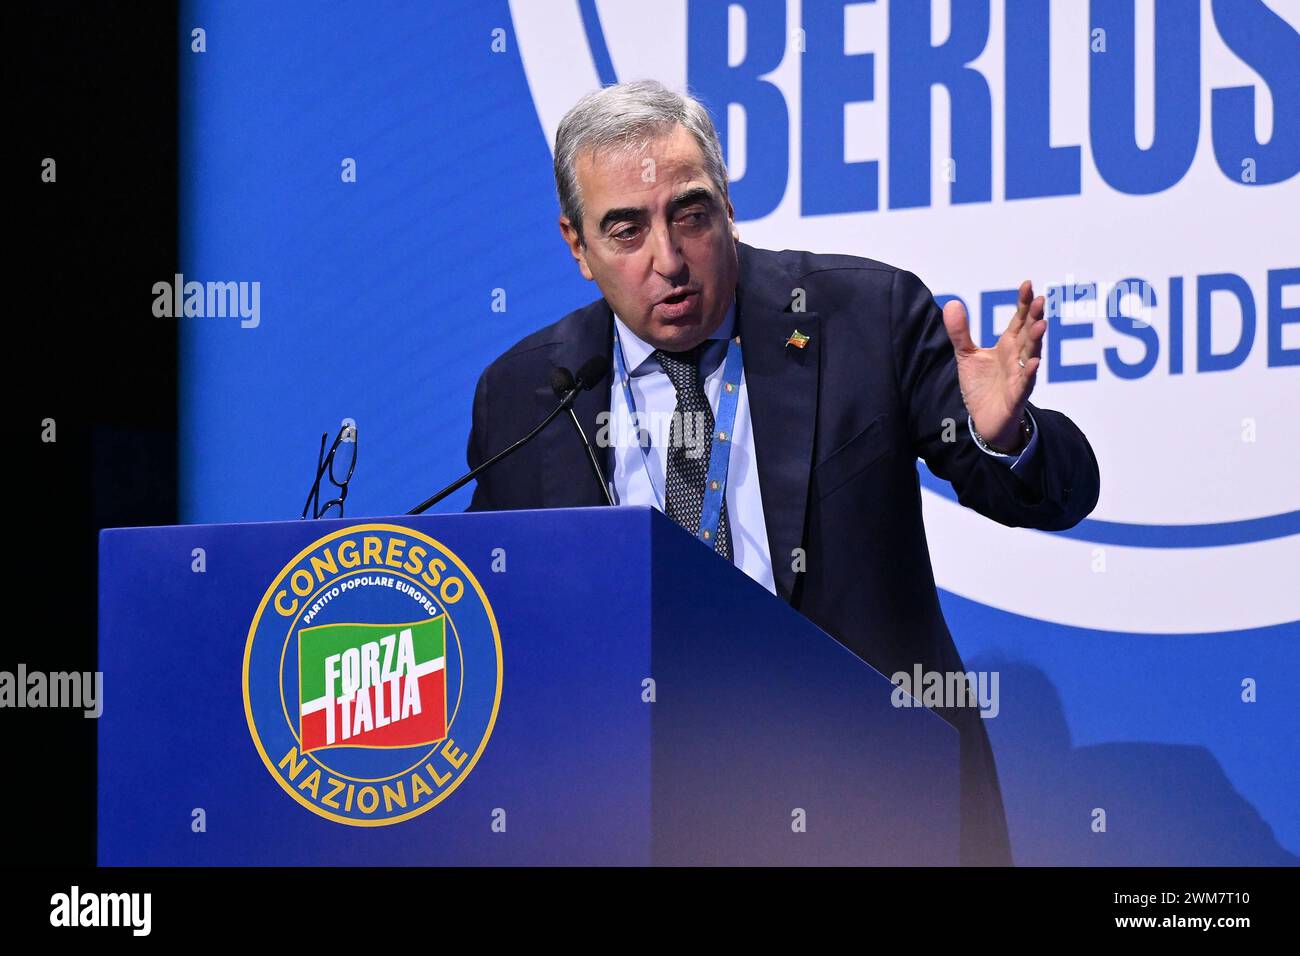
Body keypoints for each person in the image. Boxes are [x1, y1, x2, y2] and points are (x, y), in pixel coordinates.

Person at [466, 79, 1100, 866]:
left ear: (727, 204)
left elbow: (1046, 492)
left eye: (690, 215)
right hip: (643, 817)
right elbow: (494, 618)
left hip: (876, 796)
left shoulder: (863, 318)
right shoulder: (526, 395)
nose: (668, 260)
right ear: (577, 246)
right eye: (625, 231)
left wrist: (1003, 435)